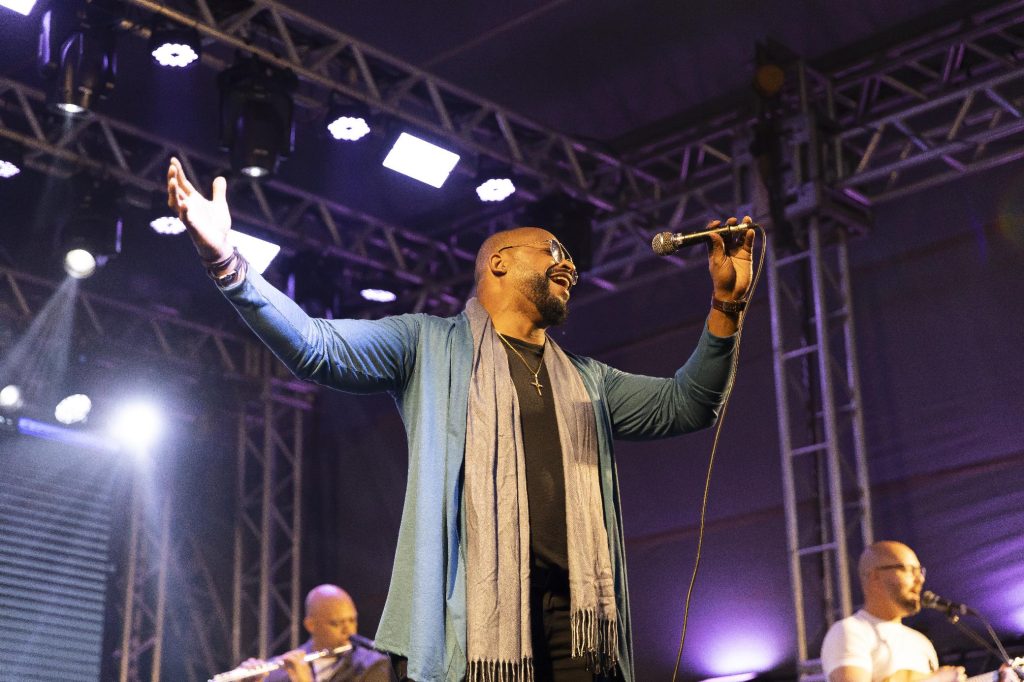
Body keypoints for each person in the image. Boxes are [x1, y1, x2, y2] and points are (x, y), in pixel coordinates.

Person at [167, 157, 754, 682]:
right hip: (470, 623)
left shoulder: (590, 380)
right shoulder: (428, 344)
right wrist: (227, 261)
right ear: (500, 262)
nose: (571, 265)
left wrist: (726, 305)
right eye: (554, 252)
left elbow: (688, 403)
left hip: (577, 622)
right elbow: (316, 346)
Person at [821, 541, 966, 682]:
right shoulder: (850, 631)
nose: (920, 579)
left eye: (920, 571)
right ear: (875, 577)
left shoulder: (921, 643)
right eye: (910, 570)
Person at [242, 584, 390, 682]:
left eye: (352, 620)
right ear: (311, 625)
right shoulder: (284, 669)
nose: (348, 630)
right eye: (336, 623)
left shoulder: (373, 665)